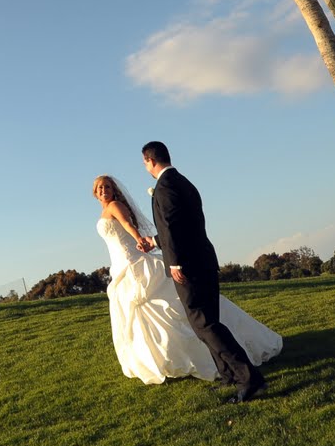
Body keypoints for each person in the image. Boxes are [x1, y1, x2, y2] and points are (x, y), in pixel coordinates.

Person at [93, 174, 281, 391]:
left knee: (182, 307)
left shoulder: (115, 205)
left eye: (107, 186)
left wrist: (139, 241)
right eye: (99, 187)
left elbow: (126, 224)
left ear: (114, 189)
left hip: (133, 262)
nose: (103, 190)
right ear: (95, 192)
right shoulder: (104, 210)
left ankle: (218, 357)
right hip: (120, 264)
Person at [142, 140, 274, 401]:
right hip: (204, 260)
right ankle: (227, 375)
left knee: (205, 325)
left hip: (188, 266)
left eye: (144, 162)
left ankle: (249, 378)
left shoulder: (164, 187)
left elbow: (171, 226)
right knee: (210, 321)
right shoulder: (183, 182)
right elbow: (183, 225)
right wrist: (155, 242)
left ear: (150, 161)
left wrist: (175, 263)